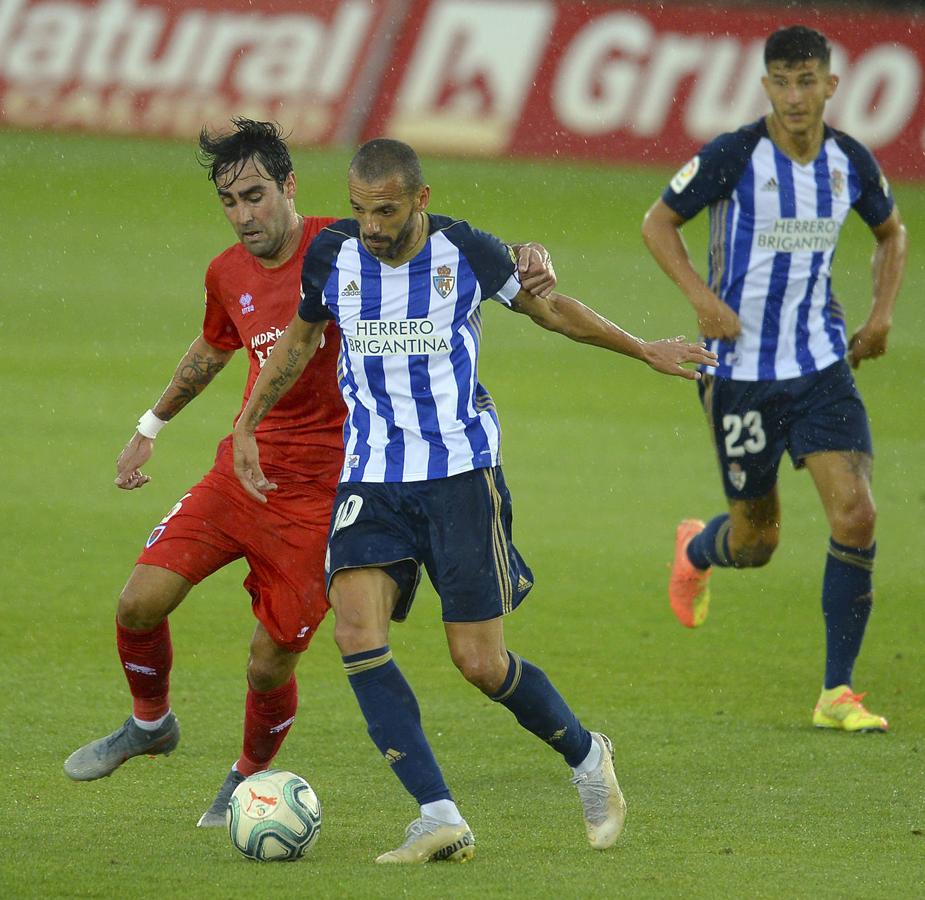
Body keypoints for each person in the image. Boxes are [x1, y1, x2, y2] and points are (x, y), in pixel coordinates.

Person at [232, 137, 717, 862]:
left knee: (479, 662)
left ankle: (587, 757)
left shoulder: (468, 252)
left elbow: (552, 311)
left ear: (420, 201)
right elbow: (300, 341)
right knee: (355, 631)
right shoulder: (332, 253)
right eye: (362, 209)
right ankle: (436, 814)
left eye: (386, 211)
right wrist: (246, 423)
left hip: (461, 475)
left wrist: (643, 346)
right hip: (371, 476)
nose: (370, 224)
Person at [62, 119, 559, 827]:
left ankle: (247, 775)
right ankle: (150, 723)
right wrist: (150, 427)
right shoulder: (225, 273)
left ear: (289, 187)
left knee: (268, 664)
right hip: (243, 476)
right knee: (137, 604)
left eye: (256, 196)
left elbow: (447, 238)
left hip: (327, 498)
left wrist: (528, 252)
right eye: (230, 201)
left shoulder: (351, 241)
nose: (244, 216)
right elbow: (211, 350)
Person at [641, 25, 907, 732]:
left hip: (820, 366)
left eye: (806, 80)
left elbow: (892, 232)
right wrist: (701, 299)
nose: (794, 96)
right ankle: (698, 548)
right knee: (756, 543)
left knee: (856, 512)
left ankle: (835, 693)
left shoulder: (848, 161)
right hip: (739, 376)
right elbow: (657, 223)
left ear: (830, 86)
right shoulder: (732, 156)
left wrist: (879, 315)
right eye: (781, 82)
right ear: (765, 88)